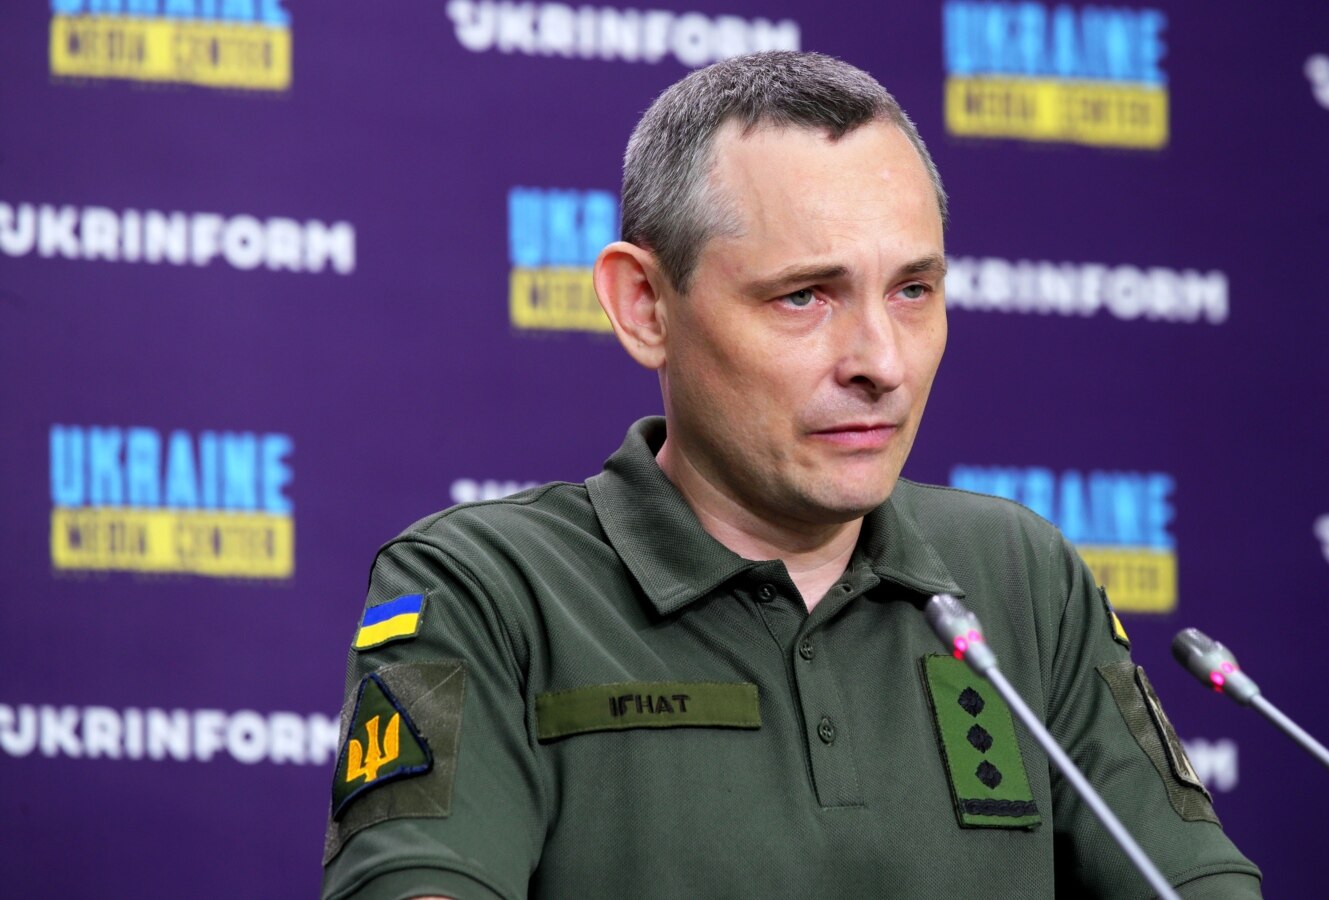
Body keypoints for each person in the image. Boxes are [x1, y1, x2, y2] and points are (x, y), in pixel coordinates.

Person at [321, 51, 1262, 899]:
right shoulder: (485, 587)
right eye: (806, 296)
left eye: (913, 290)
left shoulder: (1020, 575)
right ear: (644, 305)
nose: (881, 362)